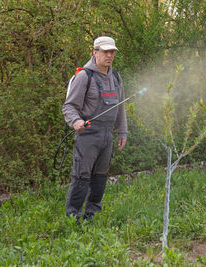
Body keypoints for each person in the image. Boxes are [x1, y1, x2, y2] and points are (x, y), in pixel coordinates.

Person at [62, 36, 127, 223]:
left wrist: (122, 132)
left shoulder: (116, 78)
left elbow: (120, 107)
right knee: (82, 176)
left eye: (112, 52)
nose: (109, 55)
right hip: (88, 135)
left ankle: (92, 216)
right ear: (95, 52)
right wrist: (75, 121)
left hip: (107, 135)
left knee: (100, 177)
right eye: (105, 51)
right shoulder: (84, 77)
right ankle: (72, 218)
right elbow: (69, 107)